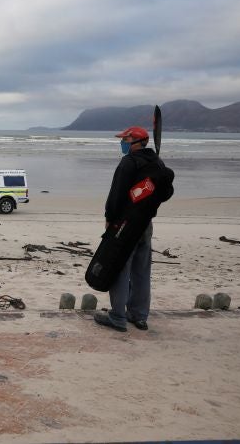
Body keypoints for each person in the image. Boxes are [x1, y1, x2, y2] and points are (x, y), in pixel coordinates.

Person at [94, 126, 171, 333]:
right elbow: (165, 193)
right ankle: (139, 315)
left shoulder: (128, 162)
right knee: (142, 270)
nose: (122, 142)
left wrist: (110, 218)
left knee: (119, 267)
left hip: (126, 225)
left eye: (124, 139)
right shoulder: (157, 162)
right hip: (146, 223)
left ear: (134, 141)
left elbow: (117, 193)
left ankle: (118, 316)